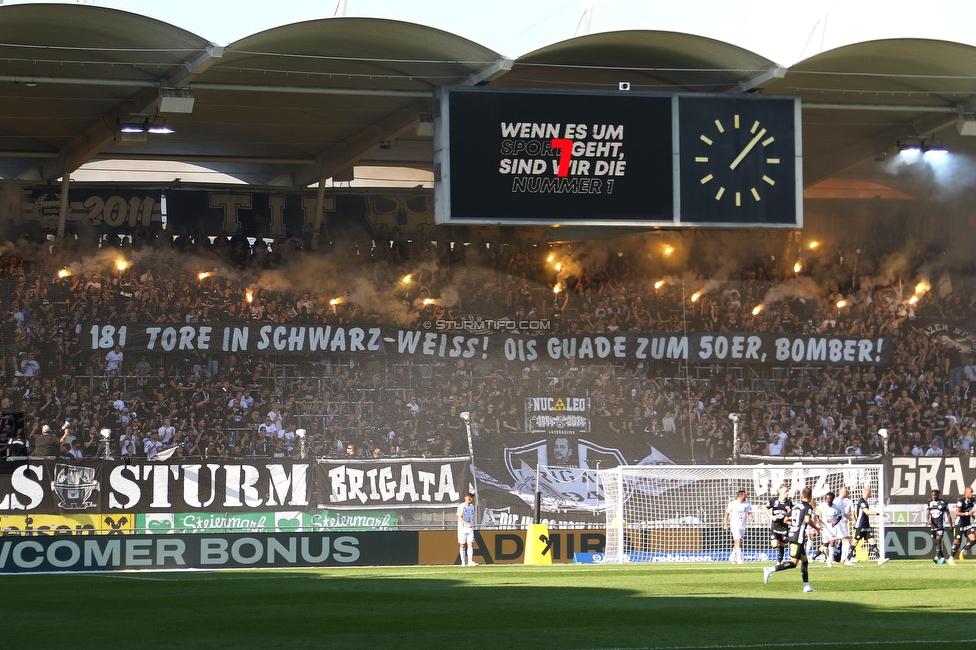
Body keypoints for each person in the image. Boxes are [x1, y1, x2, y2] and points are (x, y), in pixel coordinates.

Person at [763, 486, 818, 592]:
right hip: (798, 537)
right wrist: (816, 528)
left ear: (802, 495)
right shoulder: (807, 507)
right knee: (793, 563)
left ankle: (806, 586)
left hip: (793, 534)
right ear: (810, 497)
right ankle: (770, 569)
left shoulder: (796, 506)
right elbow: (807, 520)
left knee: (805, 561)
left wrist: (795, 525)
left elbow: (786, 520)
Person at [851, 486, 889, 565]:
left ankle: (879, 559)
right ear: (867, 492)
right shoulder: (861, 501)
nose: (871, 493)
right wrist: (879, 514)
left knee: (872, 541)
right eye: (870, 491)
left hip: (867, 526)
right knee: (855, 542)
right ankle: (848, 557)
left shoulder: (865, 501)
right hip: (860, 525)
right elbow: (866, 512)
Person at [947, 486, 976, 565]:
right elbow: (957, 513)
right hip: (959, 524)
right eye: (971, 492)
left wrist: (972, 515)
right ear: (966, 493)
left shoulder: (972, 500)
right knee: (958, 542)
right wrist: (968, 513)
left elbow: (969, 509)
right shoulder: (961, 501)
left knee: (973, 539)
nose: (972, 494)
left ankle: (961, 552)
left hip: (967, 524)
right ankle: (950, 559)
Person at [724, 489, 754, 564]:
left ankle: (731, 556)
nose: (746, 495)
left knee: (739, 542)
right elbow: (727, 514)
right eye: (745, 494)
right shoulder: (732, 504)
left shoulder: (747, 504)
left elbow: (749, 513)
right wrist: (725, 524)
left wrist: (751, 518)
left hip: (742, 525)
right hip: (734, 525)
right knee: (738, 540)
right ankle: (739, 559)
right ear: (741, 495)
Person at [765, 483, 792, 563]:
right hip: (775, 526)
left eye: (788, 491)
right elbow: (765, 509)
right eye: (786, 491)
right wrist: (771, 516)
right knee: (774, 545)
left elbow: (791, 513)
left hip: (784, 526)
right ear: (780, 491)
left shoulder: (789, 502)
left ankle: (779, 561)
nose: (787, 493)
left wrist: (788, 514)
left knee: (782, 544)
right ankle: (777, 542)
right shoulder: (773, 500)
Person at [814, 492, 843, 567]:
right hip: (824, 528)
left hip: (832, 528)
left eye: (829, 499)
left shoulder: (837, 507)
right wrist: (820, 525)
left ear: (832, 499)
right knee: (825, 544)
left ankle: (830, 561)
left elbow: (840, 516)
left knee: (832, 542)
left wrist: (835, 523)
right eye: (826, 499)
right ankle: (825, 557)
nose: (827, 500)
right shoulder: (822, 506)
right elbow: (817, 515)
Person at [926, 488, 951, 564]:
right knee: (936, 542)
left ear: (938, 495)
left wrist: (951, 525)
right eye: (932, 495)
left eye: (935, 495)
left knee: (939, 540)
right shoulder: (930, 503)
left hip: (941, 524)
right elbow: (927, 513)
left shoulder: (943, 503)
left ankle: (936, 557)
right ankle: (942, 558)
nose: (933, 496)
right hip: (933, 525)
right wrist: (927, 520)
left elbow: (948, 514)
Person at [457, 492, 477, 567]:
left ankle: (470, 561)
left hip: (470, 528)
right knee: (462, 545)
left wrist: (470, 524)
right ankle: (463, 562)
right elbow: (459, 517)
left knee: (471, 544)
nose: (473, 500)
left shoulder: (472, 507)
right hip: (462, 529)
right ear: (468, 498)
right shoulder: (461, 506)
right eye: (472, 498)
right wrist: (466, 523)